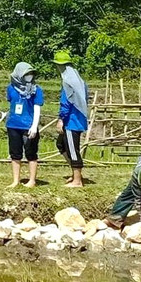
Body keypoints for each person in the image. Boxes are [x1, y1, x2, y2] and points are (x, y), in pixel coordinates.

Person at [5, 61, 43, 188]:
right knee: (15, 153)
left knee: (31, 153)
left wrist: (34, 126)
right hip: (13, 125)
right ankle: (16, 180)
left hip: (28, 125)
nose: (29, 76)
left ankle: (32, 180)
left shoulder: (36, 90)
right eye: (27, 74)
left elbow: (37, 108)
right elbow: (11, 103)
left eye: (31, 74)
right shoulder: (11, 88)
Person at [54, 51, 89, 189]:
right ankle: (75, 174)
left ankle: (77, 181)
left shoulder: (68, 82)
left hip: (71, 121)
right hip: (78, 119)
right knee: (61, 144)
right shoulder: (80, 82)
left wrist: (61, 119)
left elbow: (66, 102)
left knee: (73, 150)